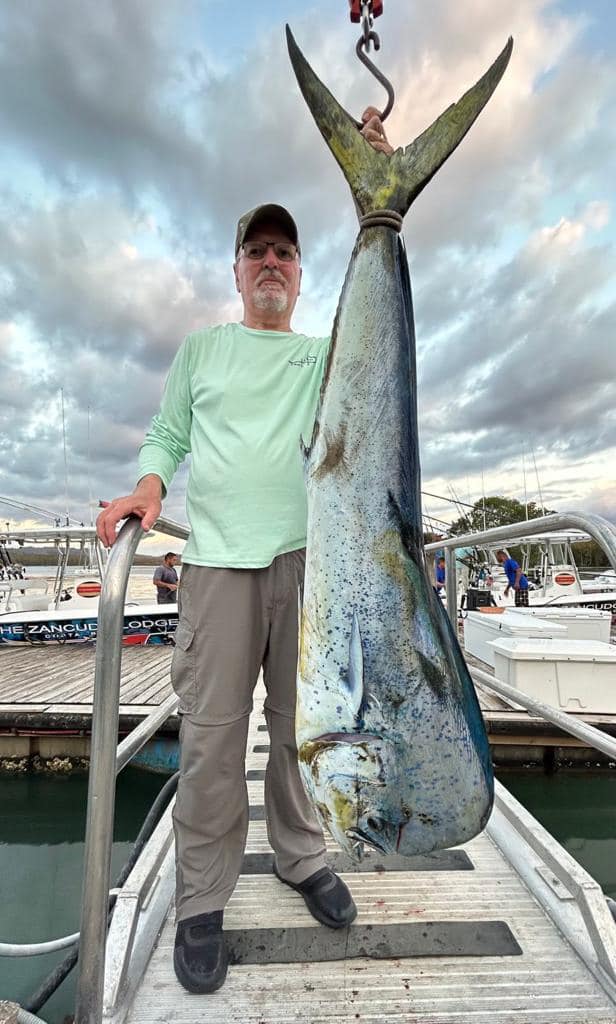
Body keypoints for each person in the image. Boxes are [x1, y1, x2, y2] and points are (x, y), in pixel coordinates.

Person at [96, 109, 393, 995]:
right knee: (215, 741)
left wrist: (378, 206)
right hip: (219, 565)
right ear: (236, 269)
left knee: (306, 734)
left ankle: (304, 857)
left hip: (311, 567)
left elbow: (376, 332)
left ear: (301, 275)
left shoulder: (317, 356)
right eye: (256, 250)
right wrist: (150, 487)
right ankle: (201, 900)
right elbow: (168, 432)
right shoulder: (202, 349)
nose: (270, 262)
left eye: (284, 253)